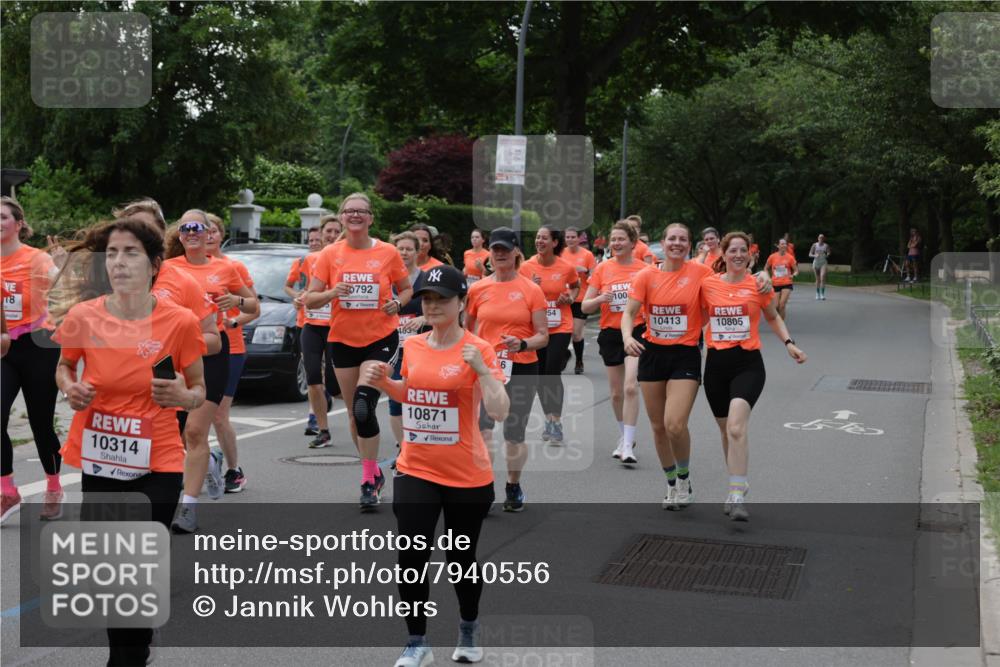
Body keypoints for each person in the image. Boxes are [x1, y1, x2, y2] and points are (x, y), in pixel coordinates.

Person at [53, 216, 206, 665]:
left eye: (131, 253)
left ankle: (127, 657)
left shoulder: (179, 321)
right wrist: (70, 388)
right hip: (102, 457)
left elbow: (199, 389)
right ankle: (132, 646)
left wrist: (183, 397)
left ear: (155, 264)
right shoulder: (84, 316)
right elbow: (64, 366)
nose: (118, 262)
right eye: (112, 254)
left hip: (158, 459)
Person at [362, 265, 508, 667]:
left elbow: (499, 410)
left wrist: (482, 370)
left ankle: (468, 628)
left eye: (442, 299)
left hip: (466, 474)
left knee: (460, 560)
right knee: (411, 557)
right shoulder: (413, 345)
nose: (432, 306)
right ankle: (417, 642)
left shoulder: (479, 349)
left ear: (461, 303)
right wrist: (384, 384)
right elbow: (413, 394)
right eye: (426, 298)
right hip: (416, 468)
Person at [305, 193, 413, 509]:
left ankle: (367, 481)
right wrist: (331, 293)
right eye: (349, 211)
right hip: (342, 340)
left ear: (370, 218)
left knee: (364, 404)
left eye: (361, 211)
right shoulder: (330, 254)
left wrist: (398, 303)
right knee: (355, 415)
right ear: (341, 217)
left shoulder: (388, 252)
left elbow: (407, 289)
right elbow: (309, 298)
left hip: (381, 338)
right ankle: (373, 472)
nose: (355, 215)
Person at [701, 232, 806, 521]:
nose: (738, 255)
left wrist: (789, 343)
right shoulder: (708, 285)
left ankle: (737, 495)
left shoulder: (758, 285)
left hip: (747, 365)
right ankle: (737, 481)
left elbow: (772, 316)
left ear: (750, 254)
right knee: (726, 431)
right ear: (723, 254)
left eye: (742, 250)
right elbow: (694, 313)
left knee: (736, 427)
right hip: (715, 366)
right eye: (732, 250)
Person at [164, 210, 257, 533]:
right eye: (185, 227)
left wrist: (235, 301)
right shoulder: (166, 268)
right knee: (176, 433)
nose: (192, 232)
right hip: (173, 355)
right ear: (179, 234)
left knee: (194, 431)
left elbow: (253, 306)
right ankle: (208, 463)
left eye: (198, 228)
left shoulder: (225, 268)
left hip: (212, 352)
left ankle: (188, 507)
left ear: (209, 233)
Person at [622, 223, 711, 509]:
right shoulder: (646, 276)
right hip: (652, 354)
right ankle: (672, 482)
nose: (677, 243)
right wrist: (627, 337)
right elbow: (629, 313)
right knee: (659, 427)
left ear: (689, 245)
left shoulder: (702, 273)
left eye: (683, 239)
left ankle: (684, 478)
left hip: (685, 354)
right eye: (672, 238)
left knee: (675, 424)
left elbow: (729, 287)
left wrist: (761, 277)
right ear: (662, 243)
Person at [465, 227, 547, 512]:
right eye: (495, 249)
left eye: (505, 250)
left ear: (516, 253)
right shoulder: (477, 289)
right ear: (489, 253)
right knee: (483, 429)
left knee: (514, 433)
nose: (499, 254)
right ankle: (484, 486)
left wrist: (522, 344)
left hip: (522, 367)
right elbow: (467, 331)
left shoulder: (531, 290)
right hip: (486, 370)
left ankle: (513, 485)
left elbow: (543, 336)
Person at [1, 196, 63, 523]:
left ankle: (53, 486)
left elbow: (65, 289)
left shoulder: (36, 259)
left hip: (39, 345)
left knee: (41, 423)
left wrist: (63, 268)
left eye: (3, 217)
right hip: (3, 348)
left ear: (19, 224)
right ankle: (7, 491)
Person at [582, 220, 647, 465]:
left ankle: (628, 445)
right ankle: (624, 435)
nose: (616, 243)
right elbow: (585, 306)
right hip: (610, 333)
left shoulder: (644, 270)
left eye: (621, 239)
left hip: (637, 330)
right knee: (617, 393)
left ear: (632, 243)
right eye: (613, 239)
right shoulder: (603, 269)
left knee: (631, 387)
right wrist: (600, 299)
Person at [205, 213, 259, 491]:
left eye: (214, 231)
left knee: (218, 415)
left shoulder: (232, 266)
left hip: (231, 348)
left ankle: (233, 470)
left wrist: (235, 320)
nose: (209, 235)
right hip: (198, 347)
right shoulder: (183, 267)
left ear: (221, 234)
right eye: (205, 230)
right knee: (192, 414)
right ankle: (204, 461)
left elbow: (254, 307)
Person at [286, 216, 344, 446]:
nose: (332, 236)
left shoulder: (348, 258)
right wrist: (298, 299)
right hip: (311, 324)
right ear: (321, 233)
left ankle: (358, 411)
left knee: (333, 384)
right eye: (328, 231)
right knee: (312, 377)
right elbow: (303, 290)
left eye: (336, 231)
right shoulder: (310, 259)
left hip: (337, 326)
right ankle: (323, 429)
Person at [520, 226, 579, 443]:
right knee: (541, 375)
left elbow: (575, 285)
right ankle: (548, 419)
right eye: (537, 237)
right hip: (537, 328)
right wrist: (530, 287)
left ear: (555, 242)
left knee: (552, 372)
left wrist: (570, 297)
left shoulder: (566, 267)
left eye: (544, 238)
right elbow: (518, 293)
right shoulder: (526, 267)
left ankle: (556, 421)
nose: (539, 241)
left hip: (560, 325)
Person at [387, 231, 429, 452]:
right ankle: (403, 449)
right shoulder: (385, 278)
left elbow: (445, 310)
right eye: (400, 248)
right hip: (395, 348)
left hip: (422, 348)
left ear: (417, 252)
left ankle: (421, 443)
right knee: (395, 400)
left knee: (420, 398)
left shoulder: (426, 279)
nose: (404, 253)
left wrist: (424, 319)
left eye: (408, 249)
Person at [560, 226, 597, 375]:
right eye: (567, 237)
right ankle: (563, 355)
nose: (570, 240)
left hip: (581, 298)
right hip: (564, 297)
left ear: (579, 238)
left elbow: (595, 276)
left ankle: (579, 361)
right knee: (562, 332)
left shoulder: (587, 255)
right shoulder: (560, 253)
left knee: (576, 333)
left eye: (573, 237)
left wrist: (586, 271)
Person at [765, 238, 798, 321]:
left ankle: (781, 324)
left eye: (785, 244)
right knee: (776, 306)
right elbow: (766, 268)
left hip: (787, 283)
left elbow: (796, 270)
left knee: (782, 305)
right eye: (782, 244)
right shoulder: (772, 257)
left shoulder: (790, 257)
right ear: (778, 246)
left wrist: (793, 275)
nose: (784, 245)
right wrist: (768, 278)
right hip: (775, 283)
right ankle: (778, 321)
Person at [809, 234, 831, 300]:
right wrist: (814, 255)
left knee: (822, 277)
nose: (821, 239)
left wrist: (827, 254)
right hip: (816, 263)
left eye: (822, 238)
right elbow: (810, 254)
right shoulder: (814, 245)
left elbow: (829, 253)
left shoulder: (826, 245)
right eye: (820, 238)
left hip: (823, 263)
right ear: (818, 238)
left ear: (824, 239)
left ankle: (822, 294)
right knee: (817, 279)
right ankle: (817, 293)